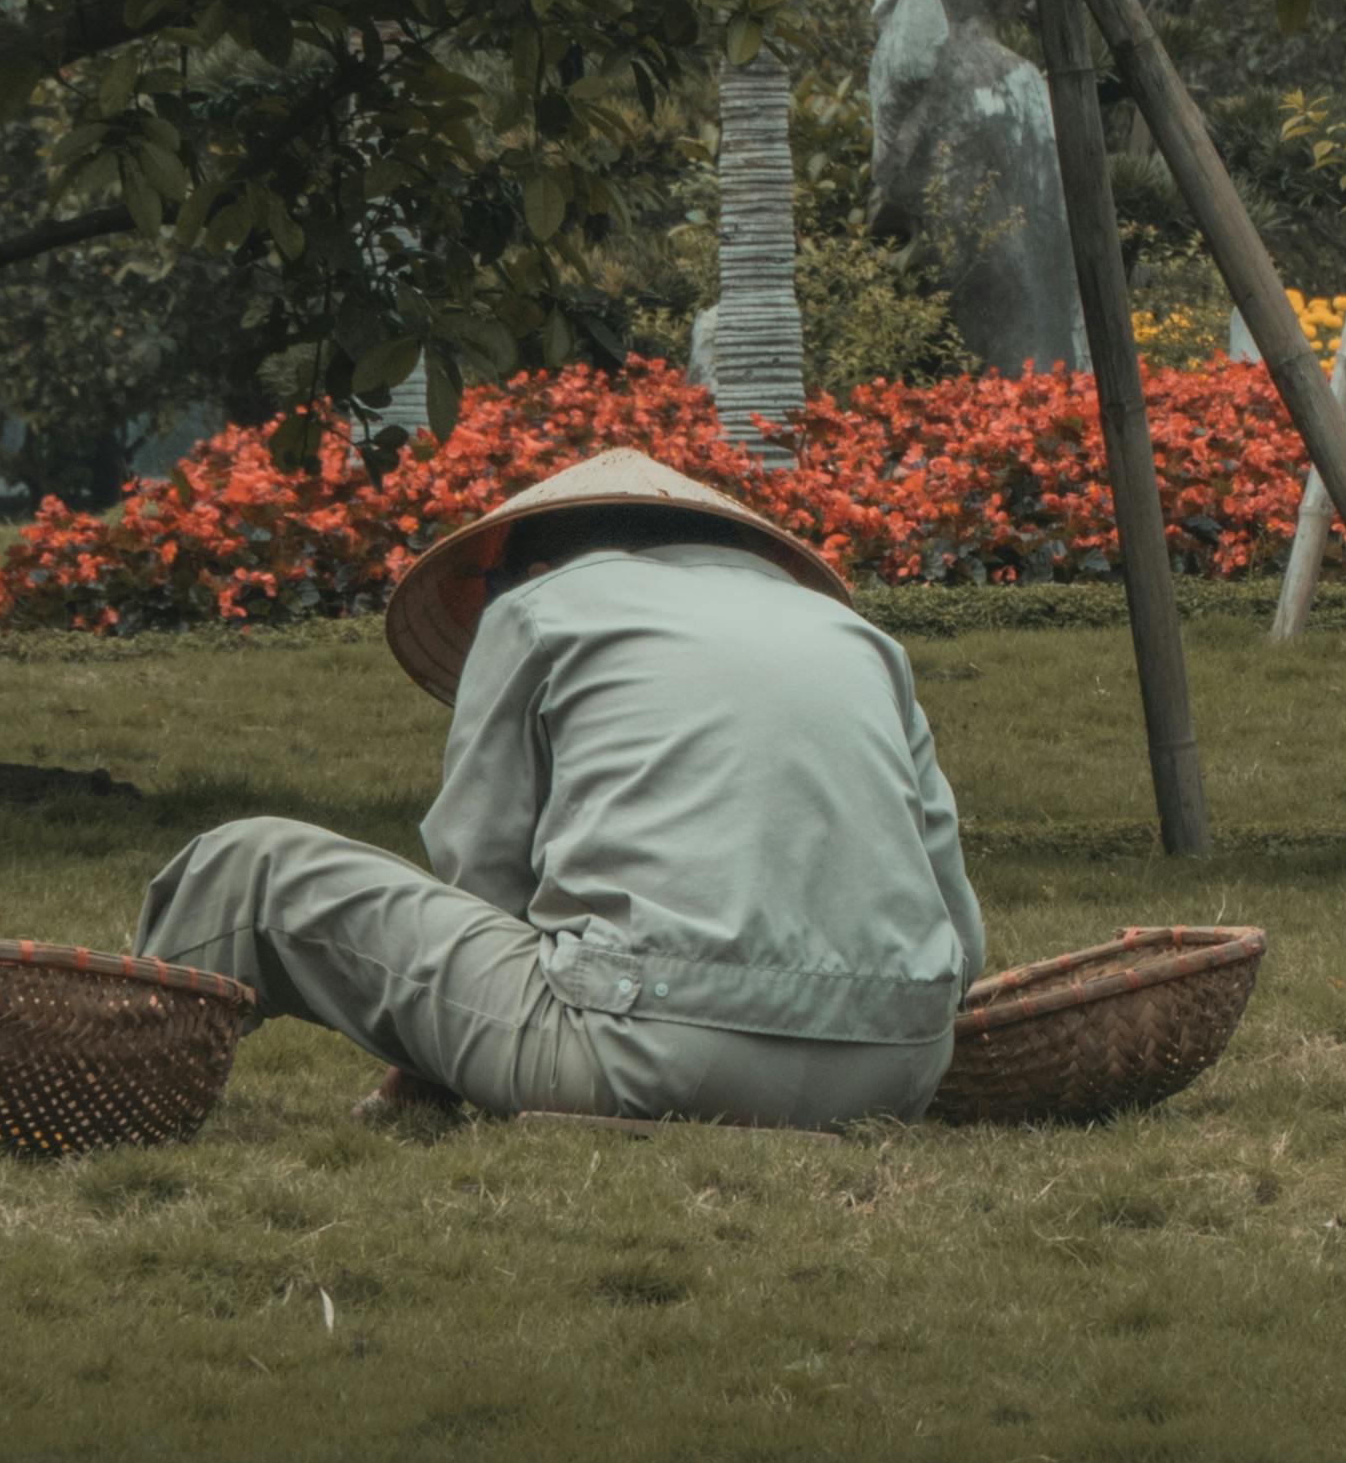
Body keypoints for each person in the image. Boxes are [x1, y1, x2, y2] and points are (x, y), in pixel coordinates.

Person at [131, 446, 985, 1126]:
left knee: (250, 866)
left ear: (531, 562)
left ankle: (113, 1067)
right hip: (896, 1072)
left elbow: (484, 878)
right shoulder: (856, 637)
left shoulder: (544, 607)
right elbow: (958, 931)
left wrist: (427, 1072)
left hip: (647, 1051)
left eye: (495, 580)